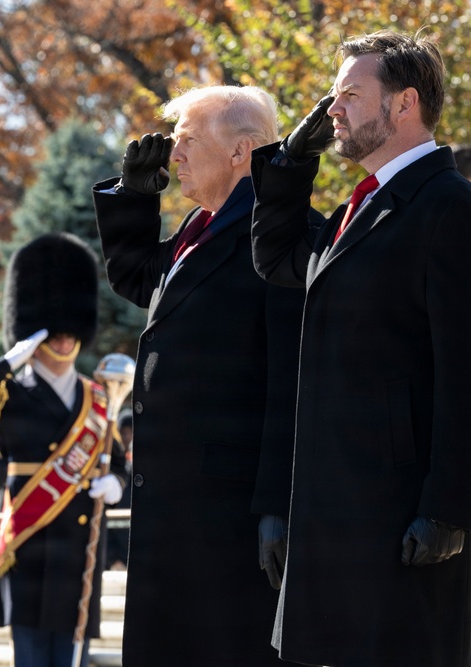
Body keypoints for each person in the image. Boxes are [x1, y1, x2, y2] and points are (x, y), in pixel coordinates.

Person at [249, 30, 471, 667]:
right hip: (334, 512)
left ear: (404, 104)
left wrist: (449, 509)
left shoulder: (447, 206)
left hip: (400, 519)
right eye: (331, 94)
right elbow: (278, 260)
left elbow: (465, 371)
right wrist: (292, 158)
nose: (332, 108)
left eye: (349, 94)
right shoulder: (361, 206)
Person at [91, 85, 310, 666]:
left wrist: (277, 506)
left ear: (241, 152)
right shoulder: (198, 227)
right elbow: (143, 280)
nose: (173, 155)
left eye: (187, 139)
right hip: (177, 509)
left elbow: (291, 383)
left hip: (234, 517)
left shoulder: (281, 234)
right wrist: (135, 198)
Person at [0, 232, 127, 667]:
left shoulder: (98, 399)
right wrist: (9, 360)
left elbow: (120, 465)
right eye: (55, 332)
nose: (65, 341)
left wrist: (116, 485)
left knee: (74, 656)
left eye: (71, 332)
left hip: (80, 545)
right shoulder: (9, 393)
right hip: (28, 544)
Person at [104, 412, 132, 571]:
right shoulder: (109, 465)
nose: (127, 437)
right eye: (123, 432)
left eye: (130, 432)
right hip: (113, 556)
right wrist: (112, 558)